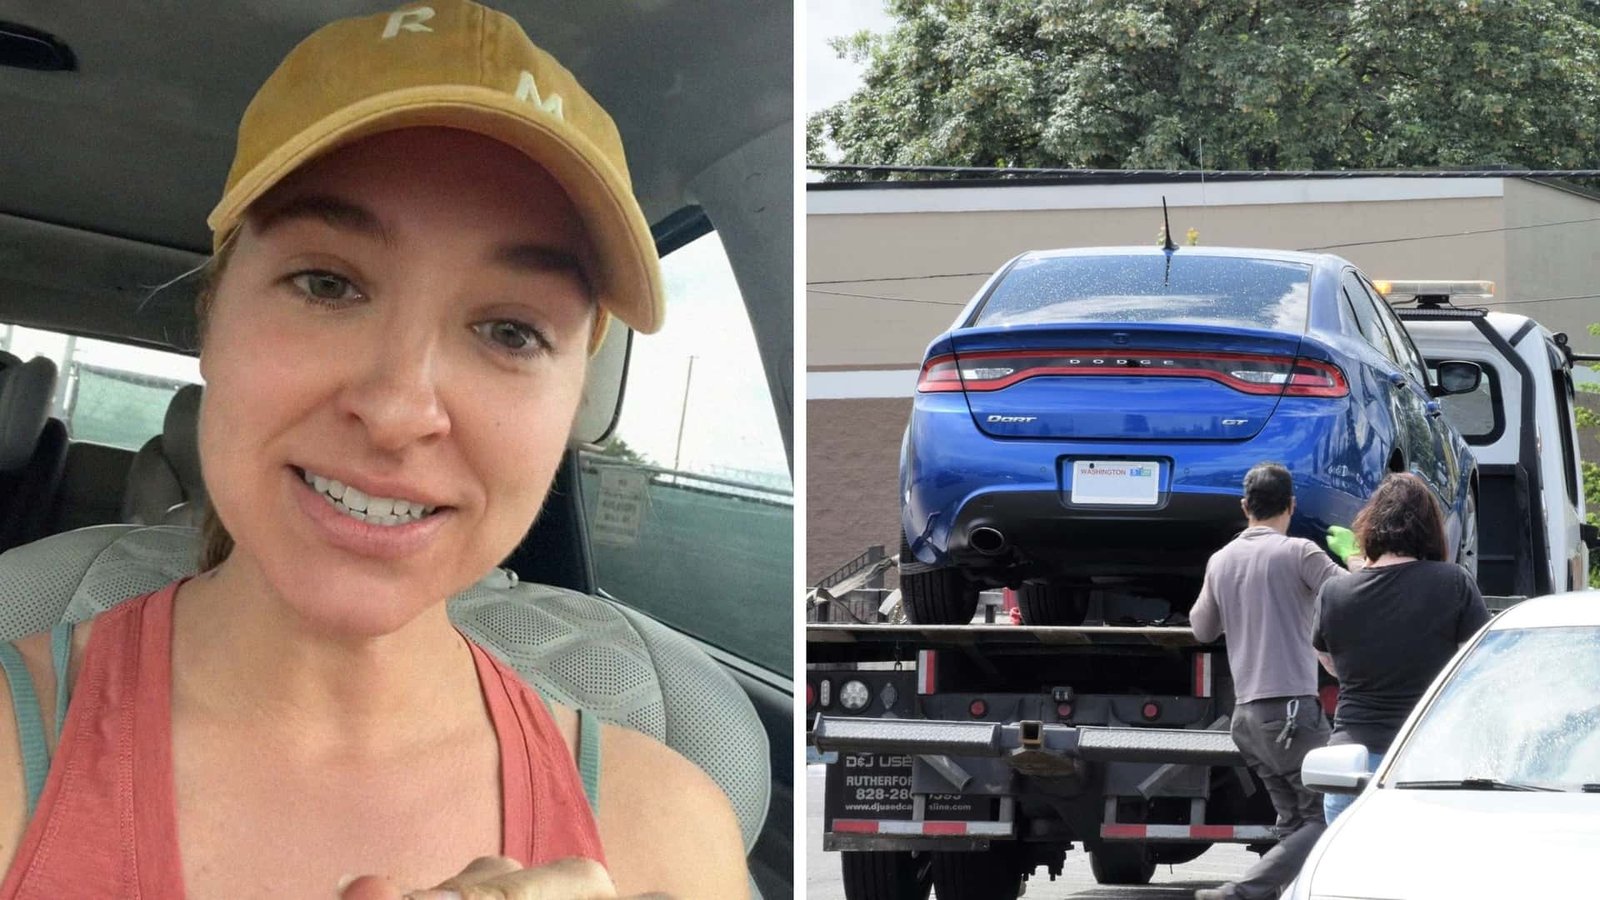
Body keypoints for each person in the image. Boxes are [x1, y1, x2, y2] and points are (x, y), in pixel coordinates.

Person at [0, 3, 747, 897]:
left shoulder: (670, 837)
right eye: (326, 283)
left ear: (570, 408)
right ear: (213, 319)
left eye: (510, 332)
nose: (398, 410)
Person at [1189, 462, 1344, 900]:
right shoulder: (1300, 553)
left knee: (1293, 822)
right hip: (1293, 714)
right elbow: (1350, 597)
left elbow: (1202, 629)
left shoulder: (1221, 560)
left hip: (1246, 721)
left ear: (1245, 507)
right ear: (1291, 506)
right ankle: (1240, 891)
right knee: (1328, 815)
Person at [1312, 472, 1490, 823]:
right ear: (1429, 529)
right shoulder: (1452, 583)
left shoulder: (1334, 593)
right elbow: (1479, 662)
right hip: (1427, 764)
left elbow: (1329, 662)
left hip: (1349, 767)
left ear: (1370, 526)